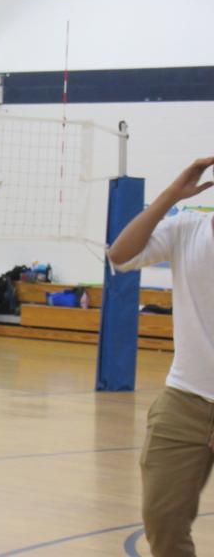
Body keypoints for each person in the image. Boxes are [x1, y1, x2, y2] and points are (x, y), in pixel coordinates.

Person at [108, 156, 214, 557]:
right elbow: (120, 255)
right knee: (162, 519)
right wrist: (170, 195)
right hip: (184, 399)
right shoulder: (187, 227)